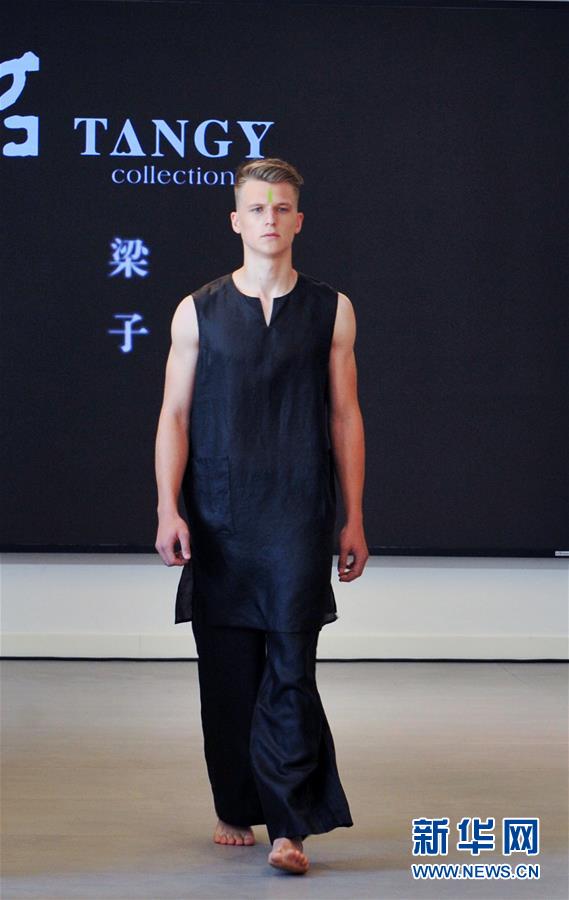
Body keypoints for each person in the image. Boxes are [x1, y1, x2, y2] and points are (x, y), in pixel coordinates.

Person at [154, 157, 368, 875]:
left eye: (281, 208)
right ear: (236, 220)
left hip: (299, 512)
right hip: (220, 514)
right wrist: (168, 506)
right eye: (256, 207)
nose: (269, 219)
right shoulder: (198, 310)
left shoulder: (331, 309)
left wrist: (353, 515)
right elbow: (175, 416)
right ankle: (235, 800)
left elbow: (344, 415)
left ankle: (289, 825)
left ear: (298, 220)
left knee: (290, 665)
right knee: (227, 671)